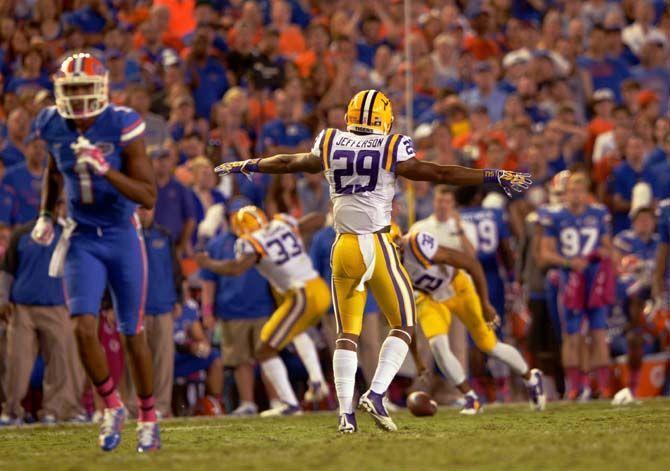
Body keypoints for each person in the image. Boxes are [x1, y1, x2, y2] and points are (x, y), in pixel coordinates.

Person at [214, 89, 532, 433]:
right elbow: (439, 174)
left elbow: (290, 162)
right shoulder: (391, 146)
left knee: (346, 335)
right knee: (404, 325)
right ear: (384, 118)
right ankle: (377, 394)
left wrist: (249, 164)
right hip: (378, 243)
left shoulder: (331, 140)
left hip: (344, 246)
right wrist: (490, 175)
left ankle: (345, 415)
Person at [29, 53, 160, 452]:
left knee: (132, 332)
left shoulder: (122, 124)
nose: (81, 99)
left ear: (102, 89)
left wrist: (107, 170)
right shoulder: (51, 124)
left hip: (121, 233)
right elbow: (54, 170)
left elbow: (148, 196)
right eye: (73, 90)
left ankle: (150, 416)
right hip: (81, 236)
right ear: (60, 92)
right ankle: (111, 405)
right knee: (81, 327)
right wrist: (47, 213)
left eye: (87, 89)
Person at [195, 206, 330, 416]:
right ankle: (315, 382)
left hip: (301, 295)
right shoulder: (280, 223)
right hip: (318, 289)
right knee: (295, 333)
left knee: (264, 351)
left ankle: (292, 403)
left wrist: (208, 263)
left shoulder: (250, 242)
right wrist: (304, 224)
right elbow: (317, 218)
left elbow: (235, 268)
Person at [401, 226, 545, 414]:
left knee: (490, 346)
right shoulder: (386, 267)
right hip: (430, 298)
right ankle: (471, 398)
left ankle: (531, 377)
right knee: (438, 346)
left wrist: (485, 303)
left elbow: (471, 263)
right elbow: (403, 319)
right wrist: (417, 358)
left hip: (458, 288)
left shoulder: (416, 243)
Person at [0, 217, 86, 425]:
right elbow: (7, 270)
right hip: (22, 308)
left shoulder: (69, 236)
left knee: (61, 362)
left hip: (57, 305)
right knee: (17, 362)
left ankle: (54, 410)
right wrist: (2, 299)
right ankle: (11, 410)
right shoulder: (22, 234)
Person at [539, 172, 614, 400]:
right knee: (571, 334)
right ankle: (574, 387)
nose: (576, 195)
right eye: (572, 190)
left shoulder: (599, 213)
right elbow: (545, 253)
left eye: (580, 190)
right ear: (565, 192)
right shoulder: (555, 216)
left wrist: (600, 254)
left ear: (587, 193)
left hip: (594, 279)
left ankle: (603, 386)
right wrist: (570, 262)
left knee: (599, 332)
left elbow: (608, 248)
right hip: (569, 279)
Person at [198, 199, 275, 416]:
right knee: (240, 360)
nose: (237, 220)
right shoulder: (217, 244)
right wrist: (207, 311)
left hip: (262, 307)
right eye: (234, 215)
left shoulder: (262, 241)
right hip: (231, 309)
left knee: (268, 356)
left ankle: (278, 401)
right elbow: (208, 281)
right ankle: (248, 402)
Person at [138, 206, 183, 418]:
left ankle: (162, 407)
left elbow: (175, 270)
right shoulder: (127, 235)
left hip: (163, 306)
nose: (144, 213)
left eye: (148, 209)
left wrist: (178, 299)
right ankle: (131, 405)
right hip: (136, 309)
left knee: (163, 362)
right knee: (134, 362)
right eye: (140, 209)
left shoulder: (164, 235)